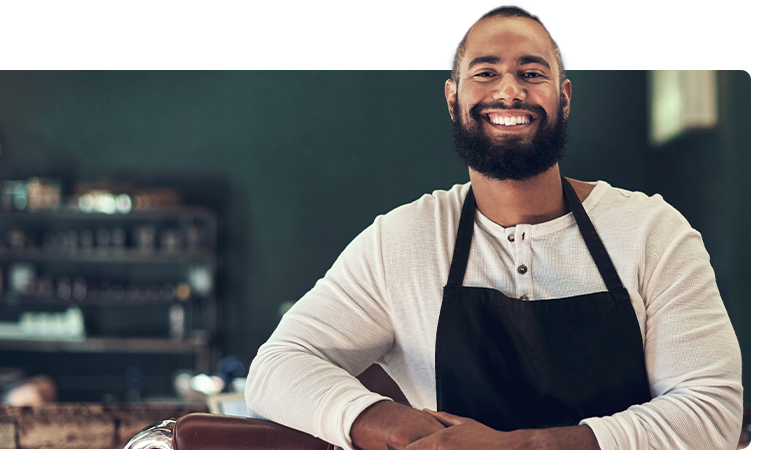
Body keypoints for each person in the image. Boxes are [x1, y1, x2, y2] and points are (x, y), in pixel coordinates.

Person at [245, 4, 743, 450]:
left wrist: (522, 448)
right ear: (452, 96)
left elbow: (711, 410)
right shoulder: (403, 241)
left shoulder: (651, 232)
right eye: (485, 73)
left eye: (532, 72)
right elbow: (277, 368)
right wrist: (386, 422)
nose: (509, 89)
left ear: (563, 97)